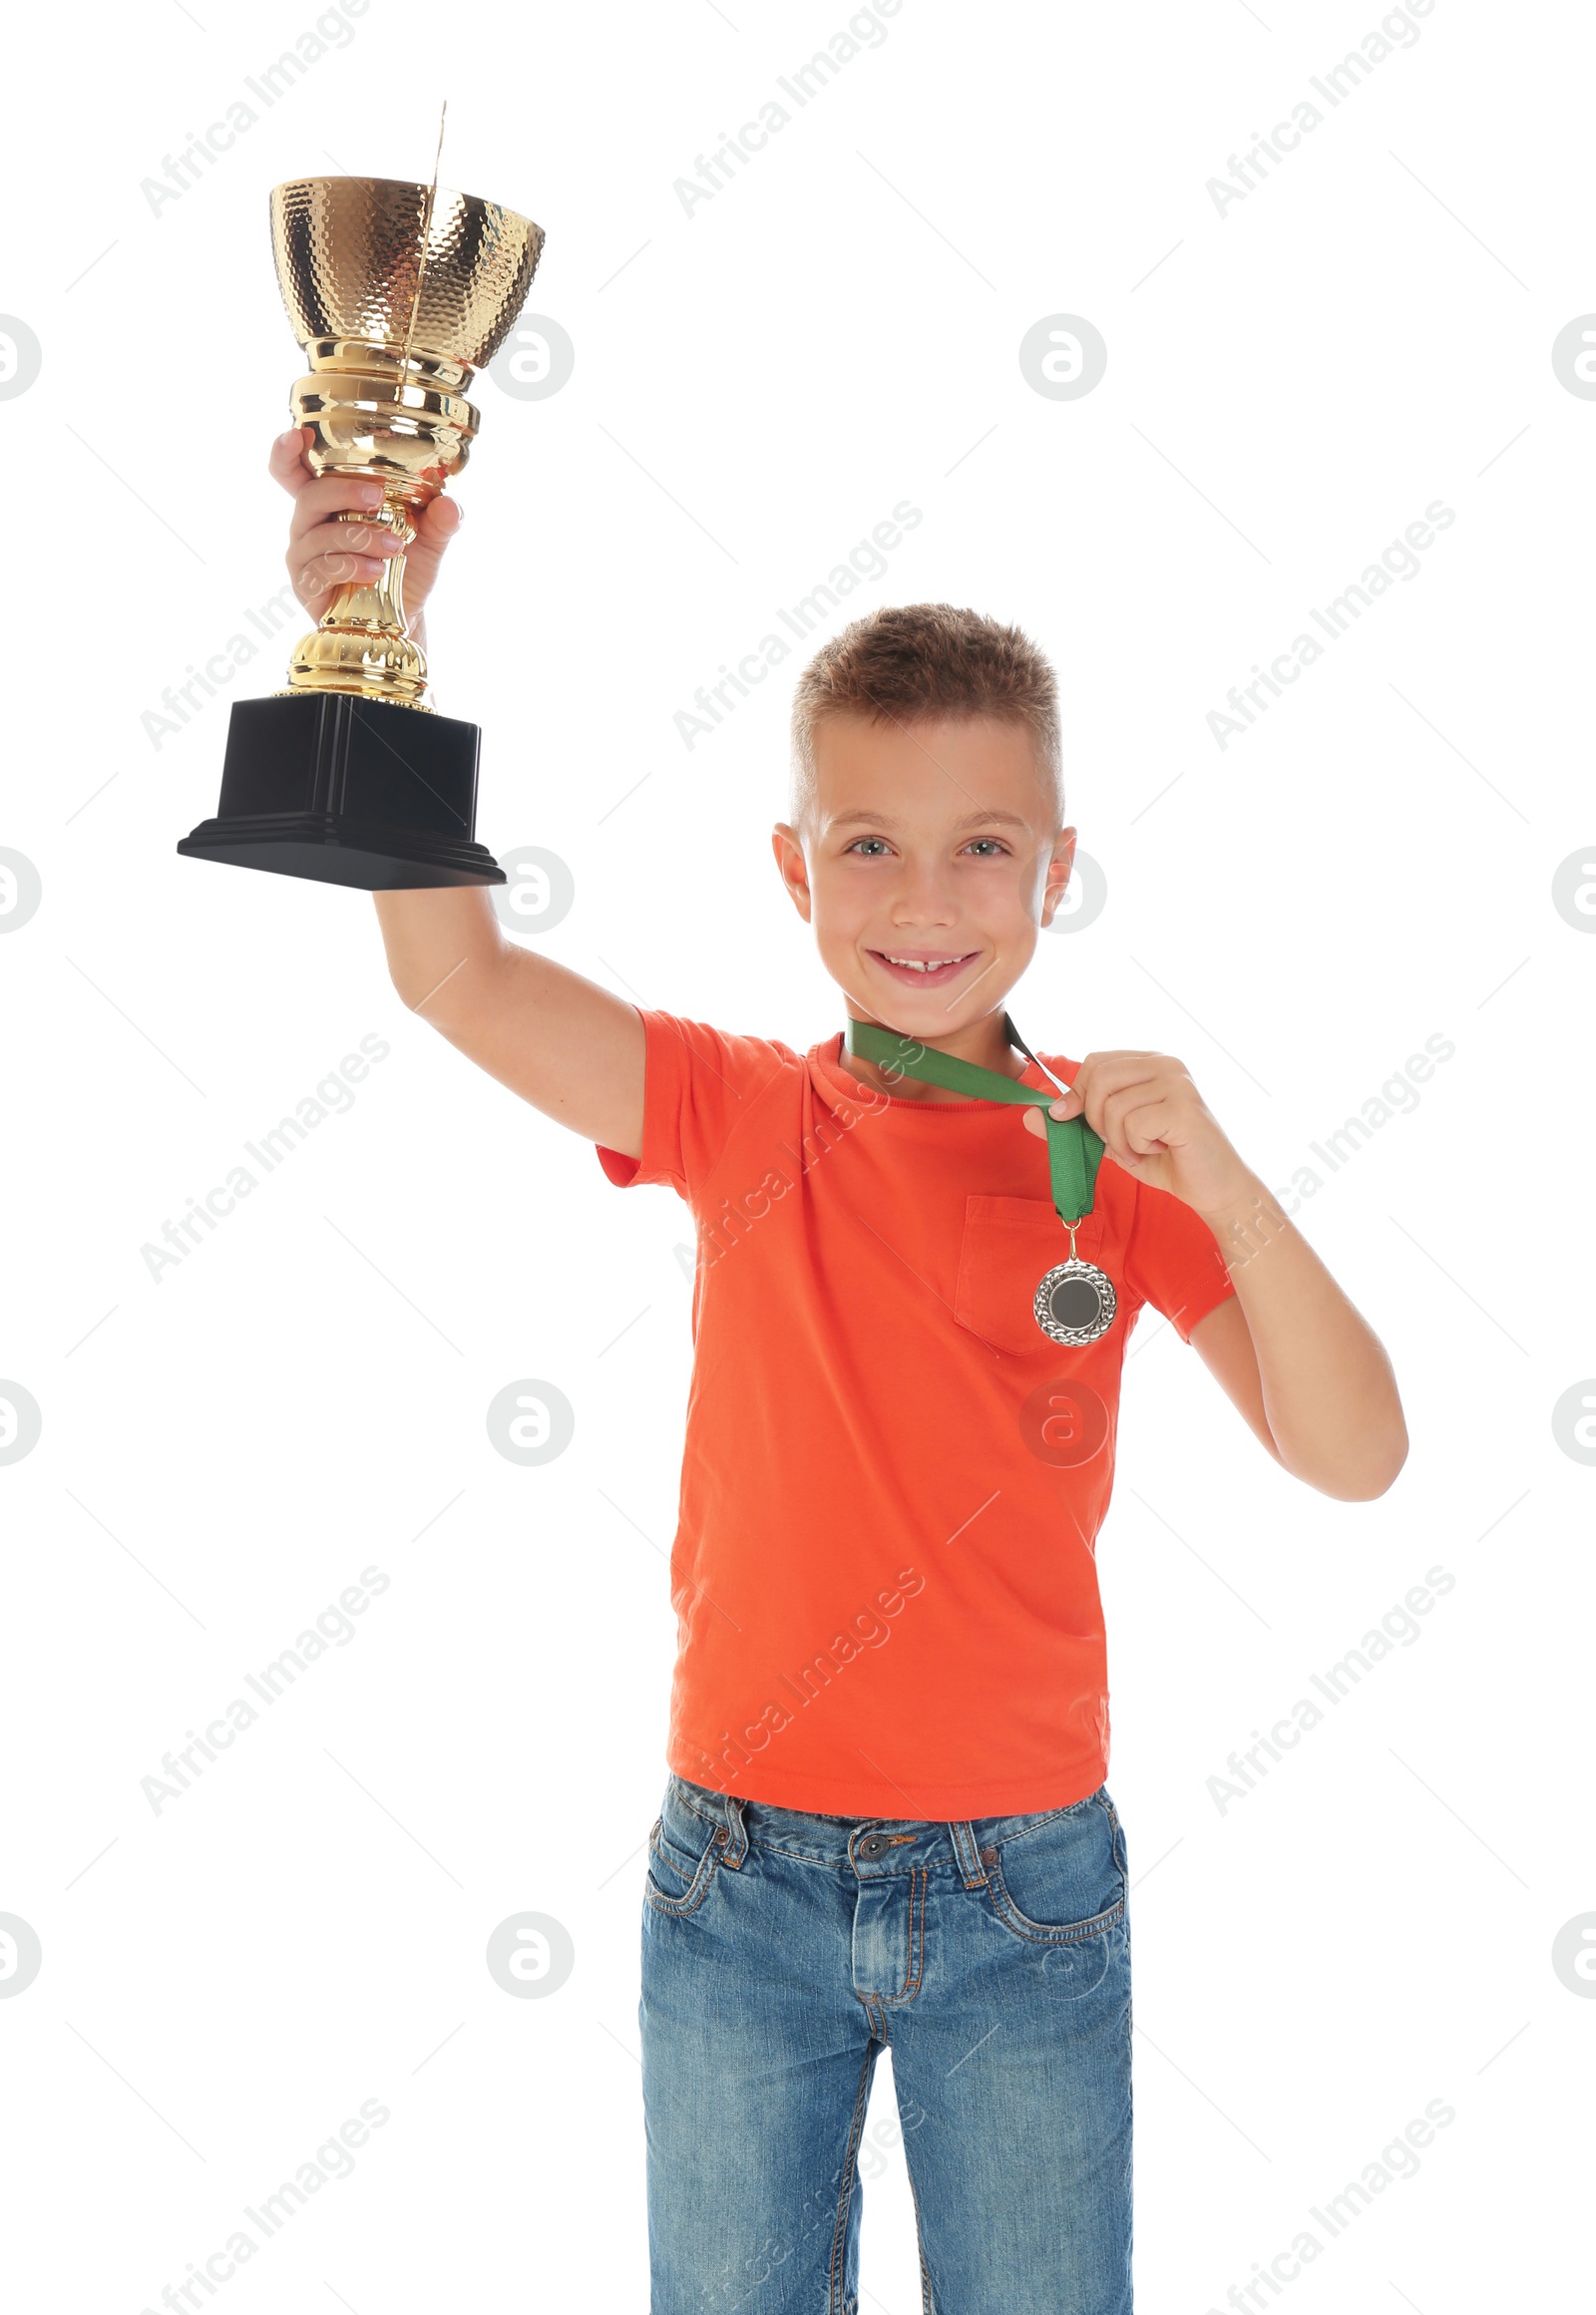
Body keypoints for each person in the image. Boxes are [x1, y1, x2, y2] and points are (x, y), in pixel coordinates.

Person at [269, 427, 1408, 2315]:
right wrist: (375, 624)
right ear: (796, 868)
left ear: (1056, 868)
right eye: (868, 843)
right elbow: (454, 979)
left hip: (1027, 1893)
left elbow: (1354, 1452)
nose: (923, 894)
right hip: (740, 1884)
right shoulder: (737, 1110)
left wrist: (1231, 1177)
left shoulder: (1115, 1174)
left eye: (983, 846)